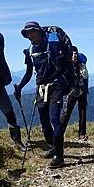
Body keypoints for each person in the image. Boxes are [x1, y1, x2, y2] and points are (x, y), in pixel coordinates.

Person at [13, 21, 74, 168]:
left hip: (57, 84)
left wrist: (48, 78)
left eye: (32, 31)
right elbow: (29, 73)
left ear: (39, 31)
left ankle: (59, 156)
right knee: (44, 123)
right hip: (41, 87)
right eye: (27, 33)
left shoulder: (53, 46)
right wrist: (20, 87)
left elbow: (60, 68)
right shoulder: (30, 51)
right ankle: (53, 146)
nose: (30, 35)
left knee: (54, 118)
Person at [60, 46, 89, 141]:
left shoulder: (81, 64)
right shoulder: (67, 65)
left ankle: (82, 134)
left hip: (80, 90)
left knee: (81, 112)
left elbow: (85, 76)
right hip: (73, 91)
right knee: (67, 113)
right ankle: (59, 133)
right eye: (73, 53)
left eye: (76, 53)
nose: (75, 55)